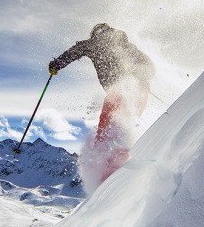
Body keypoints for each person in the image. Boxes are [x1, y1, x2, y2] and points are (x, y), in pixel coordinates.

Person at [49, 23, 154, 186]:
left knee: (108, 123)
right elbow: (148, 65)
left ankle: (107, 166)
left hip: (121, 88)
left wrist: (57, 64)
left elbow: (75, 51)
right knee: (126, 123)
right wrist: (140, 76)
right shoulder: (126, 44)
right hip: (140, 90)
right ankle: (123, 158)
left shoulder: (94, 43)